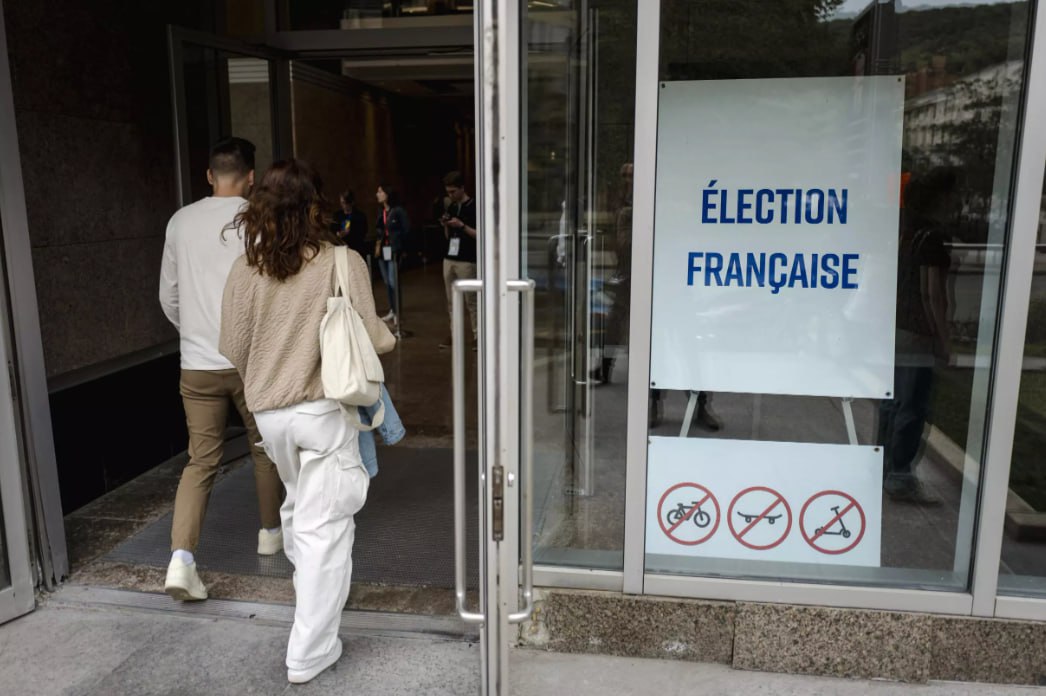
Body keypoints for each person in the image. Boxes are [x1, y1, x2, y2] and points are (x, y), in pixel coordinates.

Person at [220, 159, 396, 684]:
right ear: (316, 205)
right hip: (322, 411)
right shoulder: (343, 262)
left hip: (270, 417)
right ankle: (309, 650)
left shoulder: (245, 269)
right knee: (325, 532)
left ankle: (311, 603)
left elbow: (231, 345)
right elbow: (374, 339)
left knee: (300, 511)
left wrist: (270, 360)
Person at [158, 136, 283, 602]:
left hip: (196, 365)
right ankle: (270, 533)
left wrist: (193, 333)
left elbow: (167, 296)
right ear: (251, 177)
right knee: (263, 449)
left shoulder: (180, 221)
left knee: (200, 461)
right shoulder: (256, 221)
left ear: (209, 176)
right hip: (249, 362)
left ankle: (181, 560)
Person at [878, 166, 955, 505]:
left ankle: (883, 467)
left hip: (895, 329)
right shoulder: (931, 237)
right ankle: (899, 476)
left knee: (892, 402)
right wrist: (943, 340)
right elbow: (932, 295)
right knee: (913, 404)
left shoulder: (905, 233)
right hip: (917, 335)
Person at [439, 171, 478, 349]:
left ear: (462, 188)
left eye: (453, 191)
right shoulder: (452, 207)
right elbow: (447, 236)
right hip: (449, 257)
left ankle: (478, 335)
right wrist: (447, 225)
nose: (451, 195)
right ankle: (455, 335)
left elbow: (480, 235)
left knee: (472, 300)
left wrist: (461, 225)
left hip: (467, 260)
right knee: (451, 300)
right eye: (448, 192)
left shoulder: (474, 206)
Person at [374, 184, 409, 324]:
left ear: (387, 194)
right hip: (383, 251)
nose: (377, 194)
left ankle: (398, 312)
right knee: (387, 282)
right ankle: (392, 310)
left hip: (394, 250)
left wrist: (401, 246)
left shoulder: (398, 211)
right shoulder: (381, 211)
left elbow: (406, 229)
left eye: (380, 191)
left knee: (393, 281)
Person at [333, 190, 370, 261]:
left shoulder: (360, 216)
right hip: (342, 249)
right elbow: (332, 230)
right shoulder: (337, 216)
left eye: (344, 203)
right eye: (341, 203)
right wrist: (339, 234)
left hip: (356, 248)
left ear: (351, 203)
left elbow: (363, 231)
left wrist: (351, 232)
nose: (342, 205)